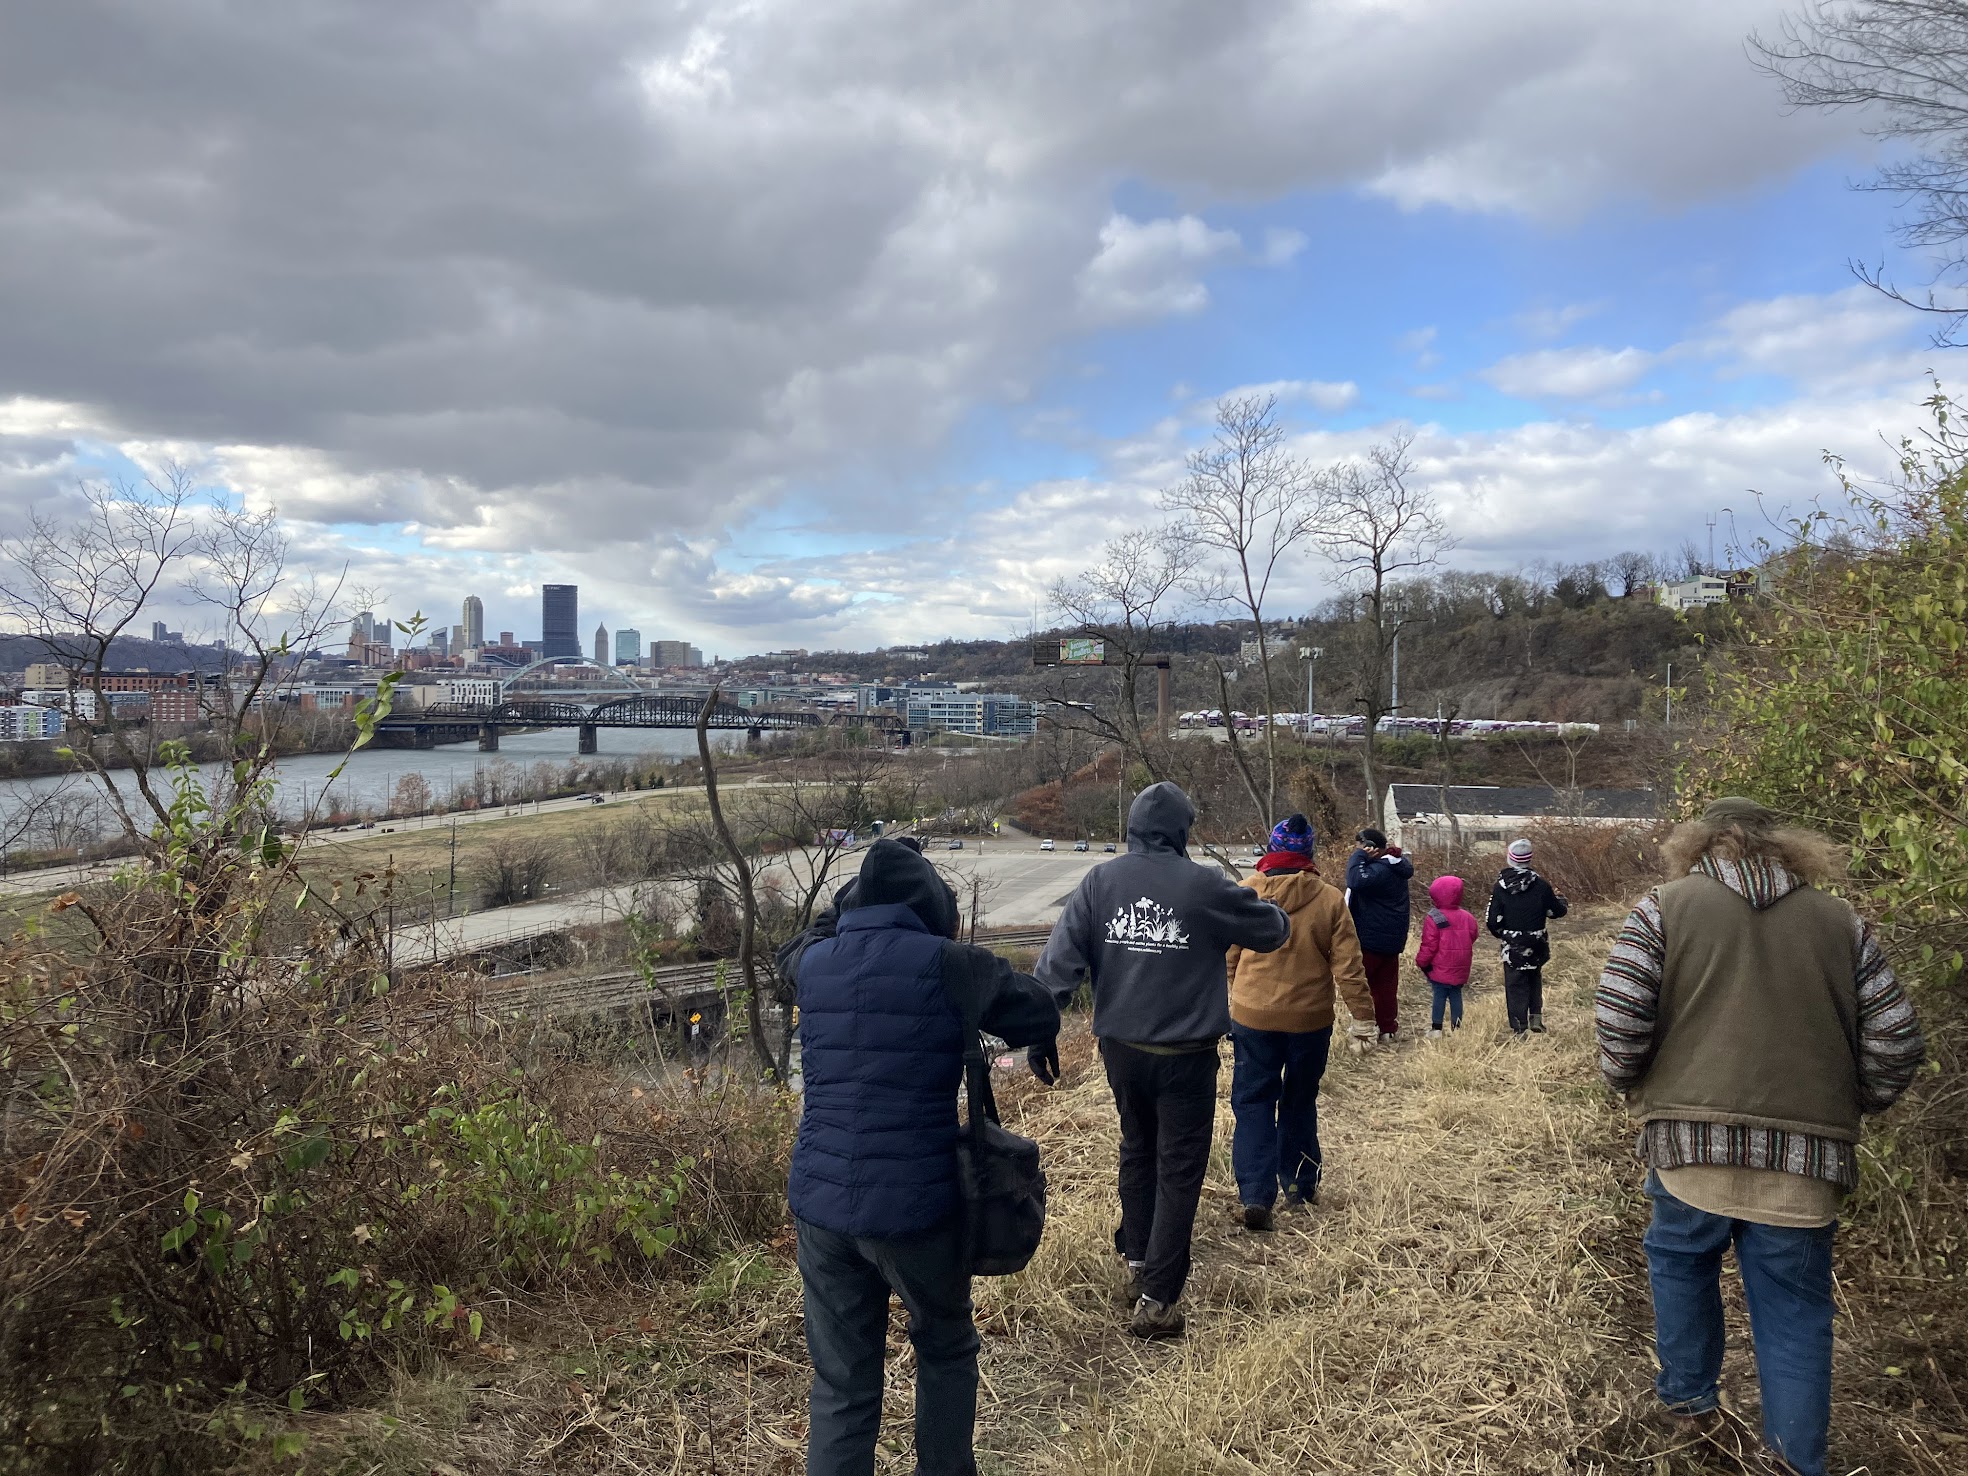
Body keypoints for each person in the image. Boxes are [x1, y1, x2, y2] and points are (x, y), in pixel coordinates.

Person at [1595, 797, 1924, 1476]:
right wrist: (1850, 1103)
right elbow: (1897, 1041)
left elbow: (1620, 1020)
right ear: (1788, 847)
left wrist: (1630, 1084)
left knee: (1681, 1265)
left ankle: (1690, 1409)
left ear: (1699, 843)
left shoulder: (1664, 907)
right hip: (1807, 1161)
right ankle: (1794, 1462)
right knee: (1796, 1312)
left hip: (1689, 1147)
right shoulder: (1843, 924)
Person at [789, 838, 1061, 1476]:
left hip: (821, 1206)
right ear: (931, 907)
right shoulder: (951, 964)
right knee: (943, 1347)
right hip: (917, 1204)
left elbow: (797, 943)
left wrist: (840, 912)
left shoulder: (812, 963)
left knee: (841, 1383)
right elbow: (1036, 1008)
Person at [1034, 781, 1289, 1339]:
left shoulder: (1101, 881)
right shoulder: (1203, 885)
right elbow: (1271, 933)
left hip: (1121, 1051)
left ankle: (1137, 1263)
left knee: (1137, 1149)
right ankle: (1158, 1298)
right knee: (1178, 1168)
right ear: (1182, 830)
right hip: (1187, 1056)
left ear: (1131, 828)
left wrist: (1038, 1030)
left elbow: (1059, 962)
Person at [1225, 813, 1377, 1232]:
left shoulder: (1246, 892)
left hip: (1252, 1016)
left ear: (1271, 849)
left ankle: (1255, 1194)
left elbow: (1229, 956)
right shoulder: (1330, 899)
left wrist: (1231, 997)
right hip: (1310, 1020)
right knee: (1299, 1099)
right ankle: (1299, 1187)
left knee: (1253, 1101)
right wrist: (1364, 1019)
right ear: (1308, 854)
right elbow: (1349, 967)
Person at [1486, 837, 1567, 1036]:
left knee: (1514, 984)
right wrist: (1561, 903)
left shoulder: (1500, 887)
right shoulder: (1541, 885)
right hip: (1537, 941)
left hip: (1513, 943)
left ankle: (1519, 1028)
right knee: (1534, 977)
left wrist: (1503, 934)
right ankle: (1536, 1017)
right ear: (1529, 859)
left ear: (1510, 859)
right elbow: (1556, 911)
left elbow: (1492, 920)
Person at [1345, 826, 1414, 1041]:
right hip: (1390, 938)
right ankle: (1387, 1028)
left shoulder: (1381, 870)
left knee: (1362, 985)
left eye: (1359, 847)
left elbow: (1355, 879)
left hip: (1371, 938)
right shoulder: (1394, 867)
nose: (1356, 851)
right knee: (1385, 986)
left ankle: (1365, 1030)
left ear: (1370, 848)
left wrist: (1358, 856)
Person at [1414, 874, 1479, 1036]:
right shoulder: (1468, 917)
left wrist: (1421, 961)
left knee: (1439, 995)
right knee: (1456, 995)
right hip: (1461, 964)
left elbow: (1429, 944)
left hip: (1439, 965)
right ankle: (1457, 1028)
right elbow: (1474, 935)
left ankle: (1436, 1028)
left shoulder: (1434, 917)